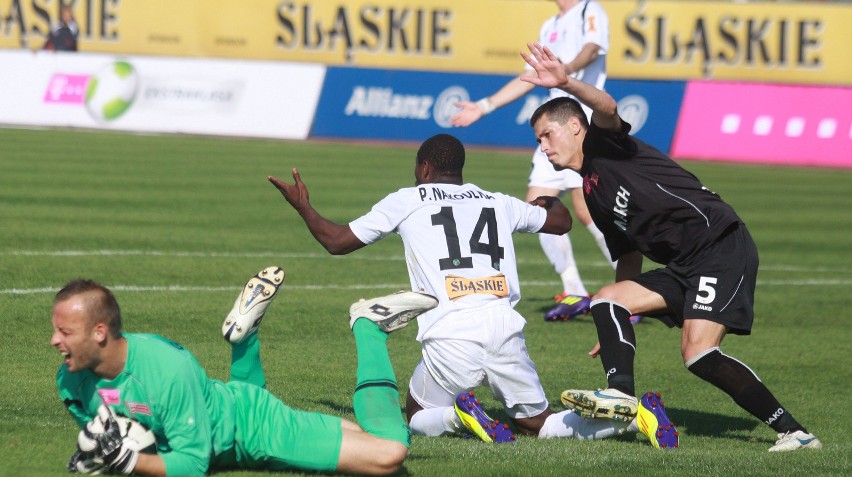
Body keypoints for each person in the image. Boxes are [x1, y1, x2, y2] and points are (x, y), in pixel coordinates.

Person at [268, 133, 677, 448]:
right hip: (504, 328)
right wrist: (544, 201)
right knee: (540, 425)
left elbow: (337, 241)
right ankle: (636, 416)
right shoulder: (497, 202)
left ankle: (457, 417)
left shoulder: (407, 199)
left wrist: (304, 207)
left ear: (425, 168)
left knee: (414, 414)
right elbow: (561, 222)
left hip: (450, 331)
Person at [518, 42, 821, 452]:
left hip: (718, 243)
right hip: (684, 263)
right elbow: (628, 254)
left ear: (574, 125)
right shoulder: (591, 191)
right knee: (605, 299)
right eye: (538, 140)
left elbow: (606, 107)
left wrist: (568, 81)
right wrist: (615, 324)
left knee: (698, 354)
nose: (543, 147)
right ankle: (621, 395)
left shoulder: (604, 145)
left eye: (547, 135)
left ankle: (795, 433)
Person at [54, 266, 440, 477]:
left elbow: (193, 462)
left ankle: (369, 329)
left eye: (65, 332)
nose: (55, 341)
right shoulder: (70, 379)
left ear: (100, 332)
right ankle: (245, 341)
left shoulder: (167, 369)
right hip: (226, 408)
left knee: (390, 452)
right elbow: (114, 431)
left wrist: (130, 462)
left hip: (255, 428)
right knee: (360, 433)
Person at [451, 0, 614, 322]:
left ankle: (631, 289)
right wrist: (483, 106)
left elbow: (592, 49)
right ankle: (575, 292)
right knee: (538, 210)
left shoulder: (589, 10)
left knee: (589, 213)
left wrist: (564, 72)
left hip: (579, 126)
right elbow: (531, 75)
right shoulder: (550, 25)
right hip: (554, 129)